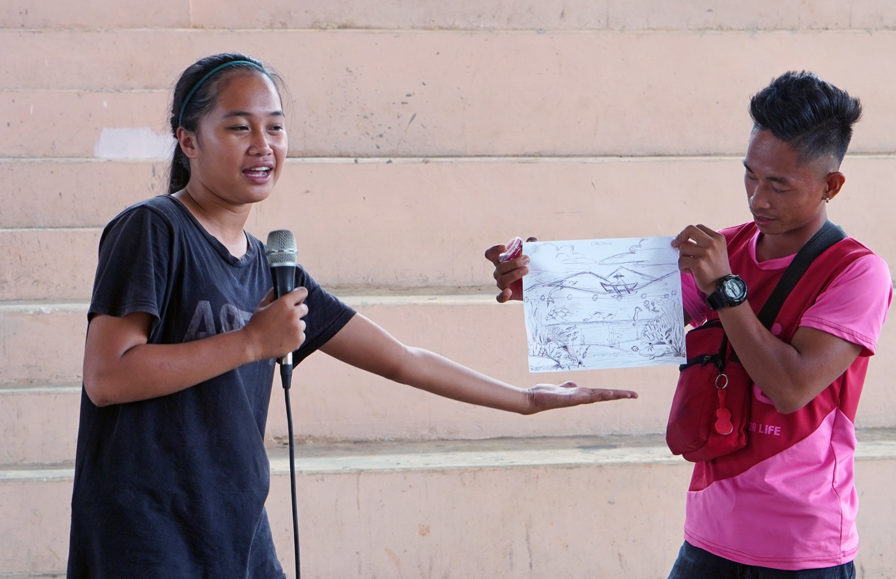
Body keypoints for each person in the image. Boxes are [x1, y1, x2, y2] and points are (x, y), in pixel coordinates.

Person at [67, 52, 637, 578]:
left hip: (234, 530)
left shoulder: (272, 267)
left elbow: (401, 361)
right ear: (188, 140)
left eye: (276, 126)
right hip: (144, 535)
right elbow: (109, 377)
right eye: (239, 127)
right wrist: (249, 343)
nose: (263, 144)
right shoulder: (153, 229)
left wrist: (526, 400)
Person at [486, 71, 892, 577]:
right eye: (750, 176)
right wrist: (538, 284)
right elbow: (625, 316)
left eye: (779, 185)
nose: (757, 199)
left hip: (801, 547)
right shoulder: (728, 248)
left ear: (831, 185)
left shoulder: (857, 270)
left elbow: (791, 387)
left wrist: (724, 287)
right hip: (708, 539)